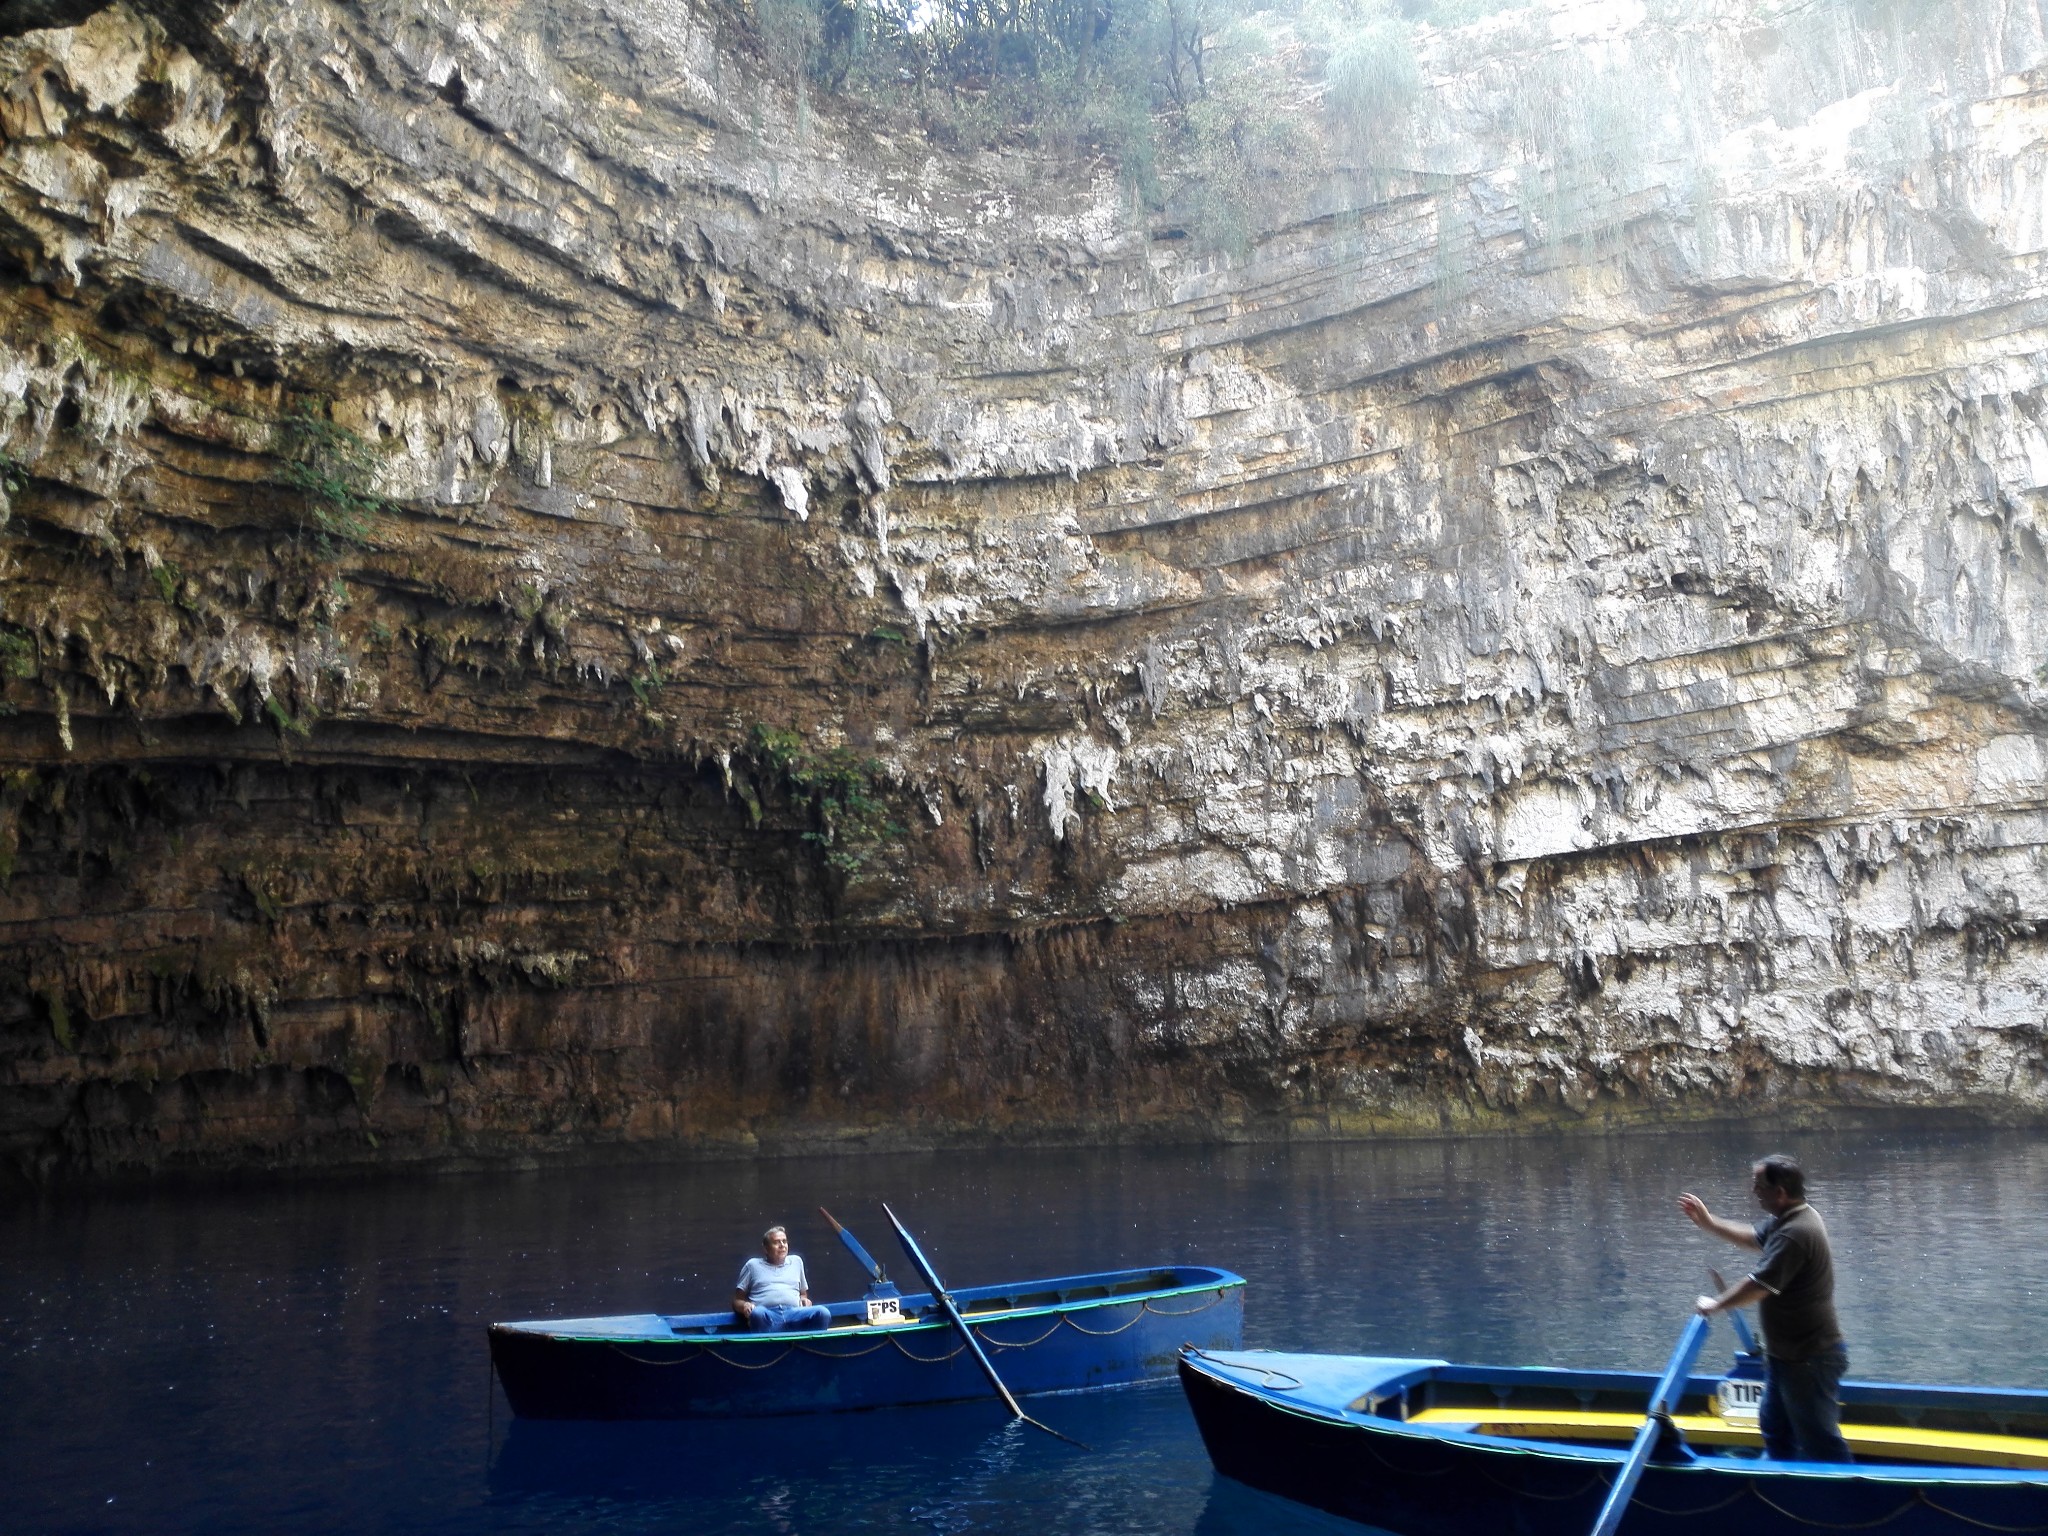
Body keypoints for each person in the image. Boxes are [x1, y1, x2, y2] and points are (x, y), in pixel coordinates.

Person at [1679, 1153, 1851, 1463]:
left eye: (1759, 1186)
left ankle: (1845, 1502)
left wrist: (1716, 1304)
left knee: (1821, 1443)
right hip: (1787, 1358)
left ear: (1780, 1193)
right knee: (1776, 1431)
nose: (1753, 1191)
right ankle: (1784, 1493)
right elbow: (1754, 1237)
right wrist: (1708, 1222)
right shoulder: (1788, 1219)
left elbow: (1758, 1285)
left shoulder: (1796, 1232)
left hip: (1810, 1358)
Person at [732, 1225, 834, 1332]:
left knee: (823, 1313)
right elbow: (737, 1300)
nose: (782, 1245)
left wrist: (804, 1299)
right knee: (757, 1313)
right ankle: (765, 1343)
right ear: (765, 1248)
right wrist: (745, 1305)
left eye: (784, 1241)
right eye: (776, 1242)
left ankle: (811, 1344)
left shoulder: (797, 1261)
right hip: (767, 1316)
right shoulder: (752, 1265)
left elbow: (803, 1293)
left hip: (795, 1314)